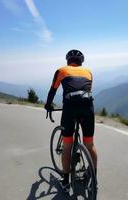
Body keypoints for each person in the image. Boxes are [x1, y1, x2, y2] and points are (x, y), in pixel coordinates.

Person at [44, 49, 98, 192]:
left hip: (70, 109)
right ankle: (93, 177)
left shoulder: (61, 70)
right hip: (88, 108)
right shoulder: (89, 72)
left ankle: (66, 182)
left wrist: (48, 105)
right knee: (89, 143)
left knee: (67, 145)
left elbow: (53, 90)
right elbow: (87, 91)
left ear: (68, 61)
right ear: (81, 62)